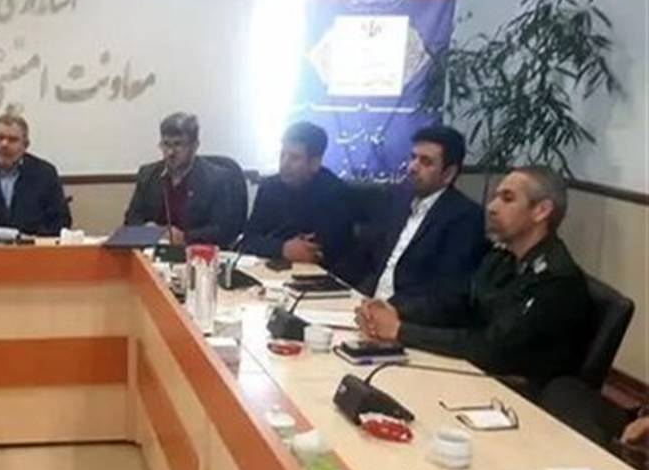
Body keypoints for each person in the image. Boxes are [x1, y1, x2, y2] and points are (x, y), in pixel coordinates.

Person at [357, 166, 592, 386]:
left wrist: (401, 330)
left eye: (507, 199)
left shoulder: (555, 280)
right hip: (473, 371)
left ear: (541, 211)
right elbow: (458, 304)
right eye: (495, 197)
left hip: (516, 390)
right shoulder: (502, 258)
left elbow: (492, 349)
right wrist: (395, 311)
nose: (492, 207)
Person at [355, 126, 487, 301]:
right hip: (365, 303)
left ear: (448, 174)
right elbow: (371, 262)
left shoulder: (464, 217)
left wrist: (389, 309)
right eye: (413, 157)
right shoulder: (396, 201)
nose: (412, 167)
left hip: (406, 313)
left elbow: (447, 292)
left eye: (426, 162)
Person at [240, 122, 355, 270]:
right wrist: (282, 248)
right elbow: (248, 241)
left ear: (315, 163)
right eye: (282, 155)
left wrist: (280, 247)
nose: (285, 164)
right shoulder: (270, 187)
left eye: (294, 158)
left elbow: (328, 251)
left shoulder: (335, 193)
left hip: (317, 276)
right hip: (269, 272)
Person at [123, 112, 242, 247]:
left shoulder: (217, 179)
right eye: (166, 144)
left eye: (178, 145)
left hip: (196, 253)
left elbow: (223, 230)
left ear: (195, 146)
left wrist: (185, 237)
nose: (170, 152)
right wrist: (146, 229)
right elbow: (131, 219)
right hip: (153, 251)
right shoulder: (148, 175)